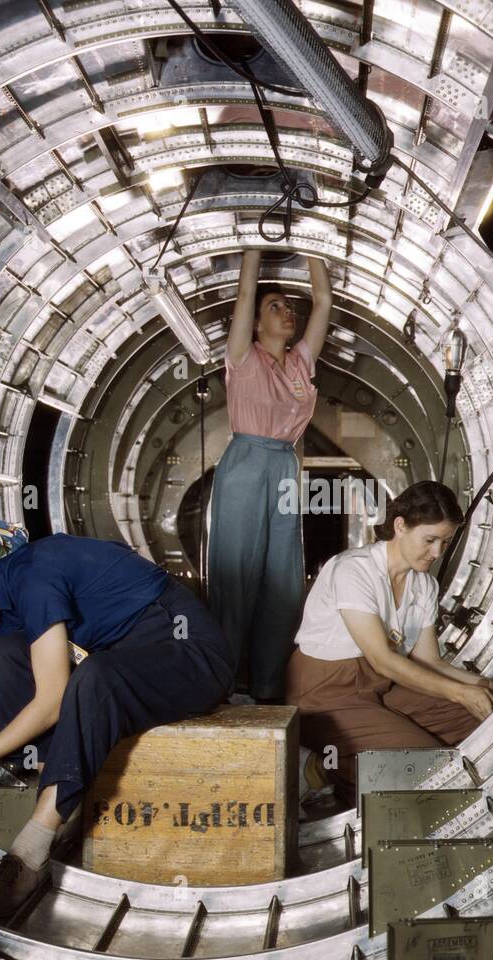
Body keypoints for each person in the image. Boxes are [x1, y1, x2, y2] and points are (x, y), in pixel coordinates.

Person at [0, 522, 234, 917]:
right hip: (125, 661)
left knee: (97, 677)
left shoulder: (38, 575)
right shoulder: (12, 586)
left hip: (192, 660)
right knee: (9, 652)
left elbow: (52, 701)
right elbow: (21, 655)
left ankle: (33, 849)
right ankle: (50, 787)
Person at [285, 482, 493, 803]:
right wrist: (460, 691)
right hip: (324, 692)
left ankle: (352, 759)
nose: (437, 553)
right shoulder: (353, 570)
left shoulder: (423, 584)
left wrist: (483, 685)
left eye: (445, 542)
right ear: (400, 526)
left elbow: (429, 661)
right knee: (423, 761)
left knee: (483, 719)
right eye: (430, 540)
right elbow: (382, 659)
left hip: (380, 687)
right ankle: (319, 770)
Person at [208, 248, 332, 701]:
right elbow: (245, 292)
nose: (287, 311)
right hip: (245, 463)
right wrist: (255, 244)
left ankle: (267, 685)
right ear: (257, 324)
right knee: (235, 574)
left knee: (282, 577)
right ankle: (221, 682)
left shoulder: (301, 363)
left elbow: (322, 300)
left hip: (283, 464)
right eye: (274, 307)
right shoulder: (243, 355)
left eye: (287, 306)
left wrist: (315, 245)